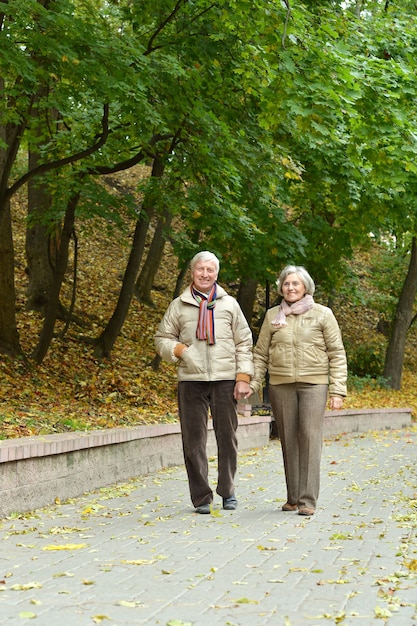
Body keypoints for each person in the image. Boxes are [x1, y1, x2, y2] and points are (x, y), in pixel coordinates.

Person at [155, 251, 254, 514]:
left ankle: (228, 491)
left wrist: (243, 377)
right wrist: (180, 351)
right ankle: (201, 497)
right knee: (193, 440)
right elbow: (162, 337)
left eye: (210, 270)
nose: (205, 274)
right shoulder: (179, 305)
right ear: (192, 272)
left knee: (227, 438)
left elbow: (244, 342)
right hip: (191, 380)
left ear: (217, 273)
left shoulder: (230, 304)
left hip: (224, 379)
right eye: (200, 269)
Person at [250, 265, 347, 516]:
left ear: (306, 287)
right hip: (280, 384)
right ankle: (292, 497)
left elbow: (337, 354)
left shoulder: (322, 314)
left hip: (314, 384)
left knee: (309, 436)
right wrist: (252, 384)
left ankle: (307, 500)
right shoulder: (273, 315)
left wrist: (337, 390)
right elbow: (260, 354)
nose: (290, 288)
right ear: (281, 287)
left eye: (295, 284)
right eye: (286, 284)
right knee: (288, 439)